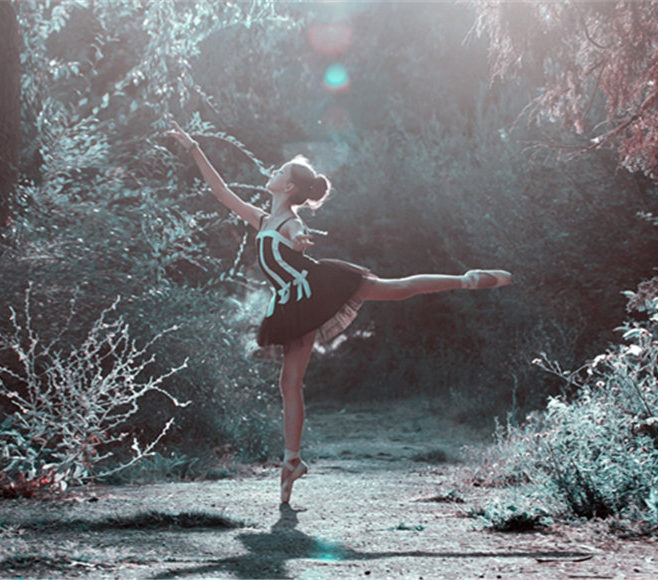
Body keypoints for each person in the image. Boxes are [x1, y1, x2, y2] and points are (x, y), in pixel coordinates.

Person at [168, 122, 512, 504]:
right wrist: (194, 147)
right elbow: (221, 192)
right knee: (289, 383)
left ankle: (466, 279)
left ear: (289, 187)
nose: (273, 172)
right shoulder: (261, 219)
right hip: (292, 303)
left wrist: (300, 240)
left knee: (396, 289)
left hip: (317, 287)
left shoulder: (289, 222)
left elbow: (297, 234)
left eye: (280, 171)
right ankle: (292, 461)